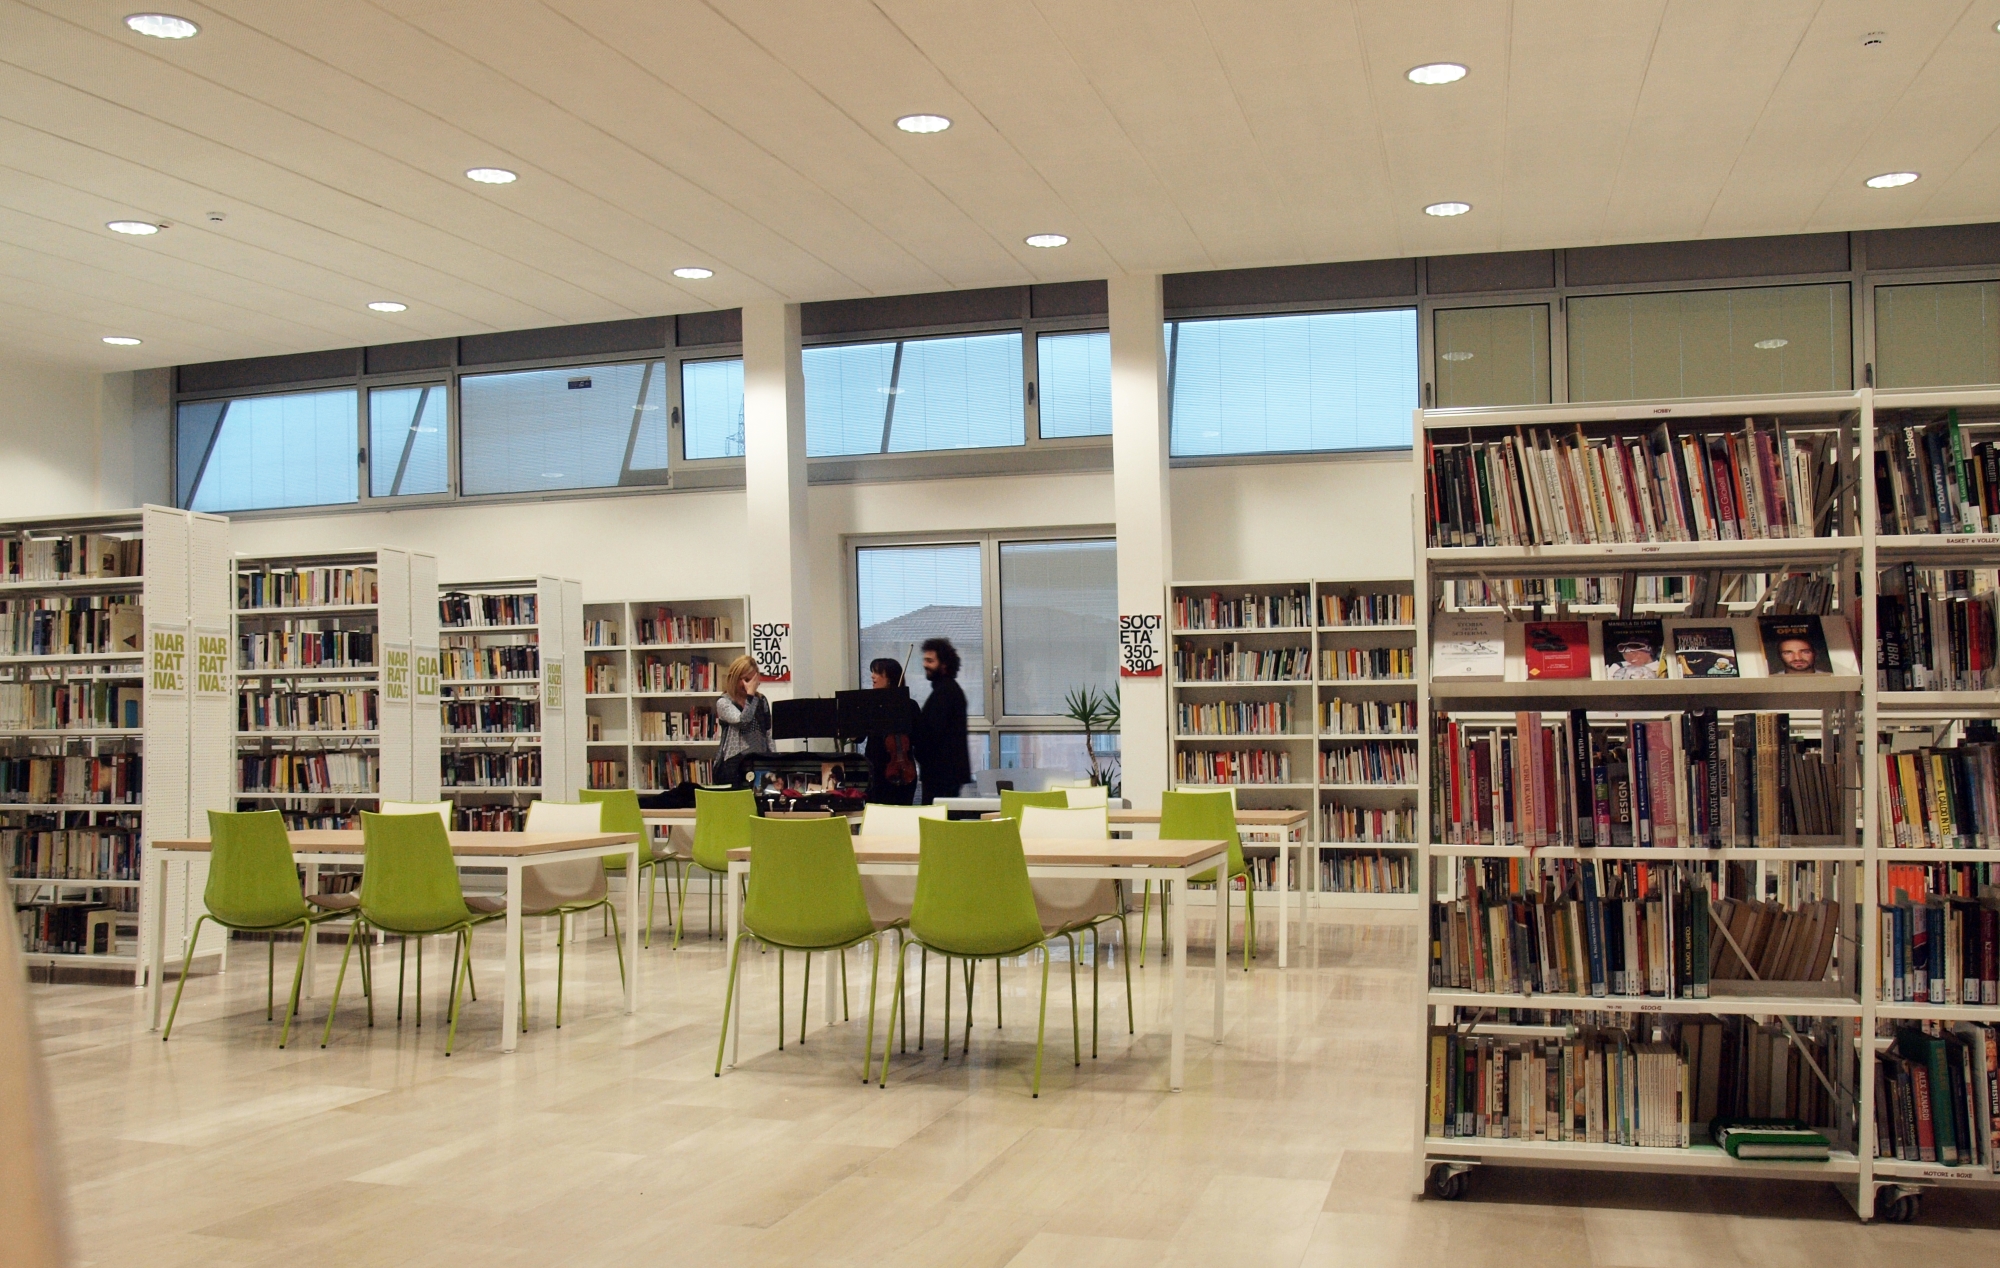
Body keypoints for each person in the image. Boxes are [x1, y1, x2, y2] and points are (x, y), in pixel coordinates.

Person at [913, 637, 971, 805]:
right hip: (943, 773)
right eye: (924, 660)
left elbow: (932, 733)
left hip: (941, 774)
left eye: (930, 661)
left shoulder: (945, 692)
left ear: (944, 664)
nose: (925, 664)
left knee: (936, 817)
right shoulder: (946, 690)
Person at [862, 658, 921, 805]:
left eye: (877, 673)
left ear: (890, 679)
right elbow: (858, 737)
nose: (872, 676)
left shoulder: (909, 706)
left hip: (904, 771)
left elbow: (919, 738)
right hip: (875, 772)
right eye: (872, 672)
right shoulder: (869, 705)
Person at [712, 654, 771, 787]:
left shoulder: (761, 700)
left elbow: (768, 732)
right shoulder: (724, 702)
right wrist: (751, 696)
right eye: (746, 680)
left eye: (752, 680)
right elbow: (744, 722)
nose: (749, 685)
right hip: (733, 763)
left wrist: (773, 761)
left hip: (760, 760)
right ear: (735, 678)